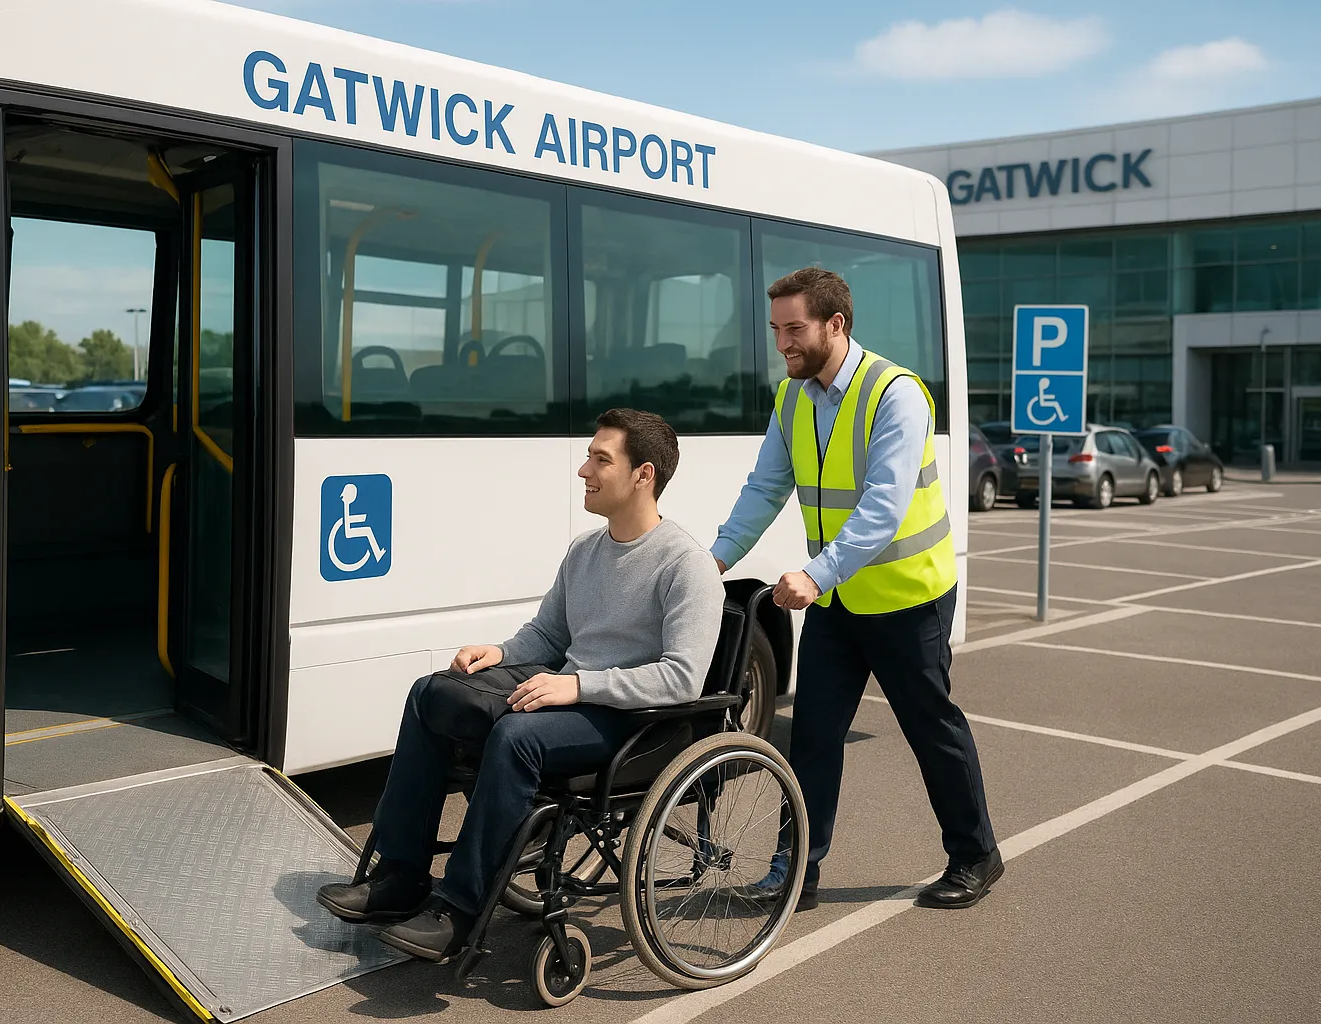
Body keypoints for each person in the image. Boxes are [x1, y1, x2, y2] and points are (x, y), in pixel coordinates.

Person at [319, 408, 725, 961]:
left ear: (643, 475)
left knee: (516, 737)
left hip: (637, 722)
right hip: (573, 696)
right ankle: (400, 877)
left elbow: (682, 677)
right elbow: (548, 633)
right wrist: (501, 653)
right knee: (429, 695)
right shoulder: (586, 550)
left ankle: (460, 912)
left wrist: (580, 686)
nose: (584, 469)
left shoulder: (687, 566)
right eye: (589, 456)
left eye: (600, 459)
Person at [713, 267, 1003, 912]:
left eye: (795, 329)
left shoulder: (895, 393)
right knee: (813, 735)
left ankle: (976, 855)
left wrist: (815, 574)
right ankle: (798, 871)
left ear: (835, 324)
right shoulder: (792, 398)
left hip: (908, 595)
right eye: (776, 330)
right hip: (841, 601)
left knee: (930, 727)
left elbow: (885, 506)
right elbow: (766, 488)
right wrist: (713, 562)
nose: (783, 342)